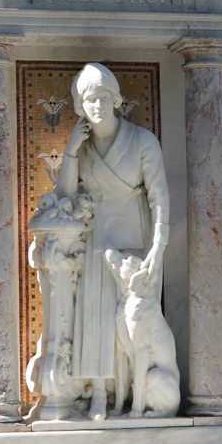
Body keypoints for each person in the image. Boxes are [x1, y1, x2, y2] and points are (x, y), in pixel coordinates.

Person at [53, 63, 170, 420]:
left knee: (134, 327)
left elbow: (160, 197)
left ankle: (132, 395)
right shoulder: (83, 148)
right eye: (90, 99)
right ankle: (100, 395)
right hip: (98, 241)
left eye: (104, 97)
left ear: (116, 99)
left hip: (137, 244)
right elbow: (64, 194)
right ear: (80, 105)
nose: (98, 105)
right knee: (98, 319)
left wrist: (158, 247)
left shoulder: (142, 140)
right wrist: (72, 148)